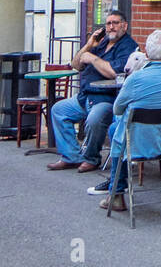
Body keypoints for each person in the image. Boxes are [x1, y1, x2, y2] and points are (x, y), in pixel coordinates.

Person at [95, 29, 161, 213]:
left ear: (146, 53)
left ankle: (117, 193)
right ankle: (116, 192)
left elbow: (117, 109)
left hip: (139, 146)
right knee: (120, 130)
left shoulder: (135, 79)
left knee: (116, 130)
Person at [48, 11, 137, 172]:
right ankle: (71, 156)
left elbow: (115, 74)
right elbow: (76, 64)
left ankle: (91, 158)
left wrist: (93, 59)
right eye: (108, 23)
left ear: (124, 26)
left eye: (115, 23)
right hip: (85, 96)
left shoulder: (128, 46)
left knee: (94, 120)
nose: (111, 27)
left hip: (107, 99)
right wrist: (89, 45)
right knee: (58, 110)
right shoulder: (101, 43)